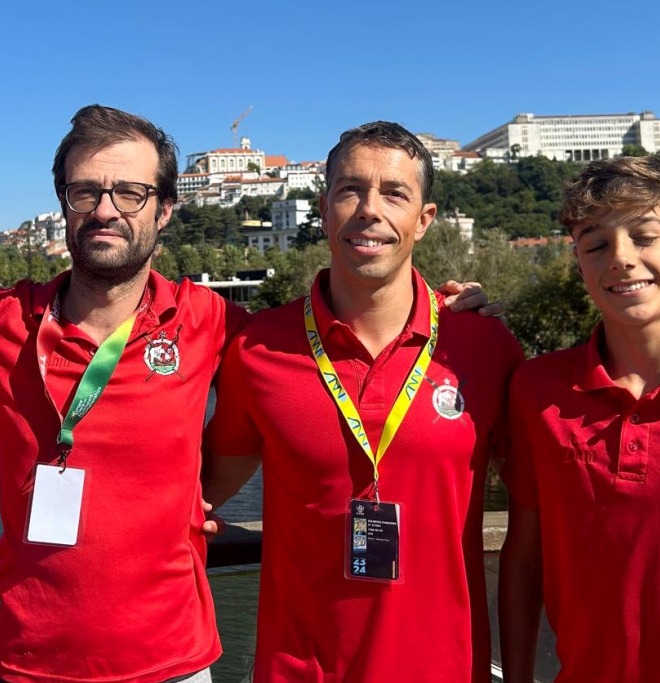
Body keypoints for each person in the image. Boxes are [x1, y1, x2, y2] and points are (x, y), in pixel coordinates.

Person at [0, 106, 496, 683]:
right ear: (63, 202)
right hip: (34, 662)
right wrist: (13, 461)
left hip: (175, 660)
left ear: (164, 209)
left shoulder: (220, 324)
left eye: (130, 192)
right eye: (86, 191)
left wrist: (463, 315)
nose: (106, 210)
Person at [203, 121, 523, 682]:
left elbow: (552, 508)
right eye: (350, 190)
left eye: (394, 193)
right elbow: (196, 489)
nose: (369, 210)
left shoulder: (484, 346)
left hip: (447, 668)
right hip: (299, 670)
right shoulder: (257, 348)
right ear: (324, 209)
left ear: (424, 220)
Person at [499, 156, 660, 683]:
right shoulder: (538, 392)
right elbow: (525, 560)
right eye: (596, 245)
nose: (621, 259)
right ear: (579, 263)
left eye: (643, 236)